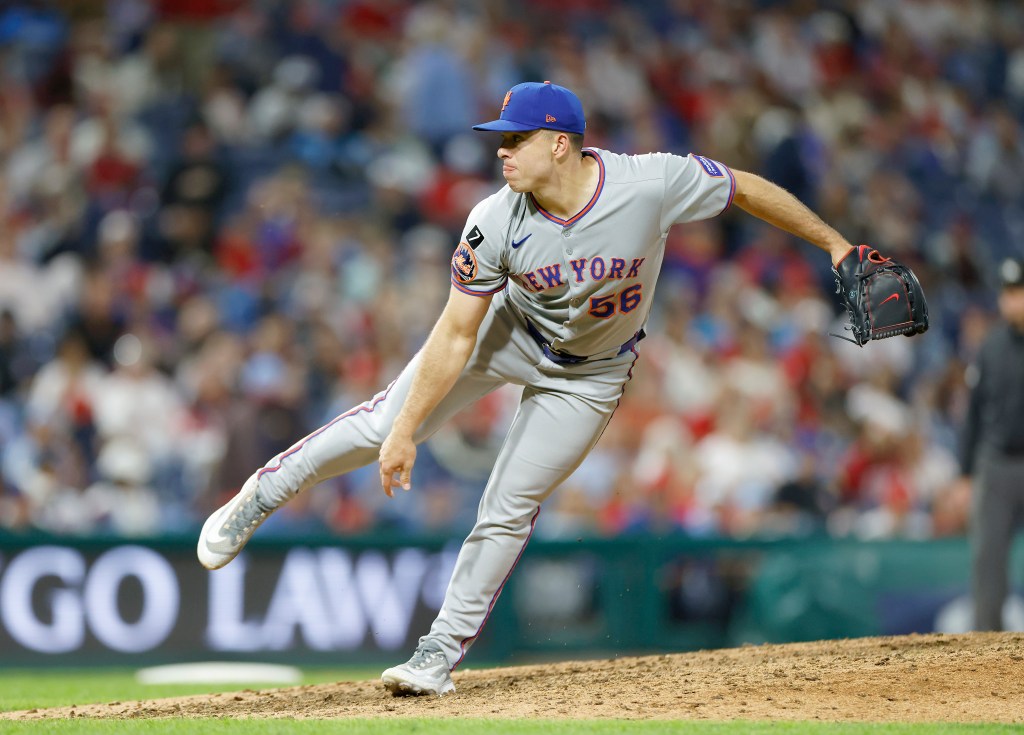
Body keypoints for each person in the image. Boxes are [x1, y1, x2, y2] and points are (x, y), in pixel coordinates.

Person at [197, 81, 856, 695]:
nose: (503, 151)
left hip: (591, 374)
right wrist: (404, 431)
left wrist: (834, 245)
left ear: (560, 143)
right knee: (377, 425)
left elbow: (743, 187)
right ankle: (259, 495)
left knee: (509, 503)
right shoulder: (493, 218)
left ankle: (437, 655)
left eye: (516, 138)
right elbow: (455, 335)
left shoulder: (649, 182)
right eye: (501, 139)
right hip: (507, 333)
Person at [961, 256, 1024, 631]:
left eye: (1018, 291)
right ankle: (988, 648)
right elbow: (973, 412)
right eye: (1007, 292)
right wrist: (965, 472)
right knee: (988, 559)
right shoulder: (990, 346)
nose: (1012, 300)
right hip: (997, 464)